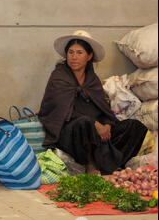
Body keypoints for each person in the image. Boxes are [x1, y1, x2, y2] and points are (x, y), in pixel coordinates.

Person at [38, 30, 148, 175]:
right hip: (71, 135)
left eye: (79, 53)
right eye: (70, 52)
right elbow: (60, 111)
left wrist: (107, 125)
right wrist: (95, 125)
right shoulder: (59, 77)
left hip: (95, 134)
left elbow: (103, 109)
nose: (74, 57)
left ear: (89, 56)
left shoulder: (92, 79)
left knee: (135, 127)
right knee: (84, 123)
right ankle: (90, 165)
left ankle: (110, 165)